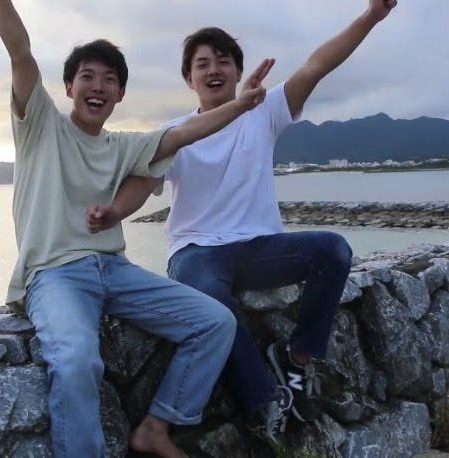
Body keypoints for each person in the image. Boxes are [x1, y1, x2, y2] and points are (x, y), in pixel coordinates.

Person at [85, 0, 397, 444]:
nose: (214, 70)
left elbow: (317, 66)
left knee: (333, 249)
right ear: (189, 78)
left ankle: (296, 358)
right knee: (215, 304)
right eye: (202, 64)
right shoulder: (176, 132)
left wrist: (370, 17)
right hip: (195, 252)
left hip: (258, 248)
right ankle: (265, 402)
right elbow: (141, 183)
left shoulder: (262, 111)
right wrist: (114, 212)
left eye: (223, 61)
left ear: (237, 72)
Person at [0, 1, 275, 456]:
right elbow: (20, 52)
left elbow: (184, 134)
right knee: (76, 359)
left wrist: (240, 105)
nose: (98, 87)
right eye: (87, 76)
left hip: (115, 271)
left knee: (215, 322)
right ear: (68, 87)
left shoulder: (124, 146)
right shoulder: (40, 126)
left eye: (109, 79)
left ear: (120, 94)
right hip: (54, 274)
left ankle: (158, 426)